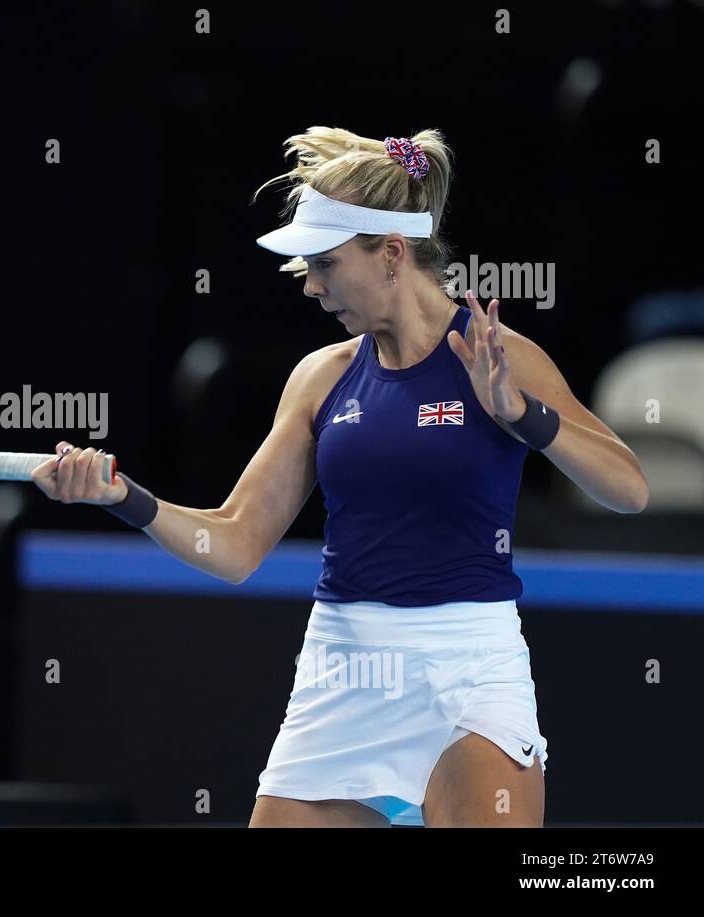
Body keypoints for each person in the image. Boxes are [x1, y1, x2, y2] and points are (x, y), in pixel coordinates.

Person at [31, 127, 649, 827]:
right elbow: (234, 543)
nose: (313, 286)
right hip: (343, 668)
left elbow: (629, 490)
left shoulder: (500, 358)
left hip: (469, 669)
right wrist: (124, 497)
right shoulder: (319, 378)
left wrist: (520, 413)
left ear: (392, 253)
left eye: (326, 263)